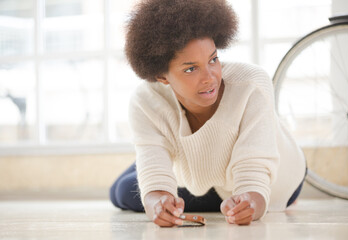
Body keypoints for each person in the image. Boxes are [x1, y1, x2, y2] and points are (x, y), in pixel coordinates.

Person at [110, 0, 307, 227]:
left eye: (213, 59)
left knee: (124, 191)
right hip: (202, 170)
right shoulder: (146, 101)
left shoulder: (251, 84)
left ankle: (160, 153)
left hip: (276, 177)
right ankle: (157, 152)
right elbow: (156, 191)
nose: (210, 77)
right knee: (121, 189)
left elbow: (254, 172)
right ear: (162, 77)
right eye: (191, 68)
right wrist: (158, 201)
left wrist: (249, 204)